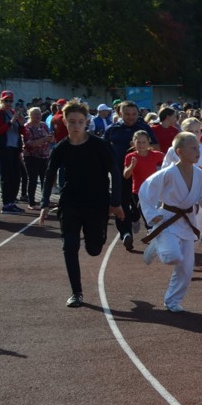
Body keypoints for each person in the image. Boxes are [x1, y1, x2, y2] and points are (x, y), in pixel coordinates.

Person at [38, 101, 123, 307]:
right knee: (69, 246)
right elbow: (49, 176)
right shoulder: (61, 148)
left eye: (80, 121)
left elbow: (115, 173)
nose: (76, 125)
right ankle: (76, 293)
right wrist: (44, 204)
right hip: (70, 203)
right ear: (65, 123)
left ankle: (96, 237)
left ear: (87, 123)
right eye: (72, 122)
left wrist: (115, 201)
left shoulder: (99, 145)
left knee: (94, 249)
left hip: (96, 203)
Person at [138, 132, 202, 313]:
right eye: (193, 148)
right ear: (180, 151)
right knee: (172, 256)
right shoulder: (167, 174)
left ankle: (172, 300)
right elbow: (145, 191)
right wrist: (151, 214)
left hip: (188, 221)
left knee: (187, 267)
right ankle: (156, 246)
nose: (198, 151)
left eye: (198, 147)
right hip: (167, 220)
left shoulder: (200, 175)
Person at [104, 101, 157, 251]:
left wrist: (143, 150)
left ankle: (138, 220)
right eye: (127, 114)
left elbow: (156, 147)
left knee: (138, 205)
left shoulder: (144, 128)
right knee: (121, 203)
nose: (131, 117)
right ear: (120, 113)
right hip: (118, 174)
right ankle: (126, 233)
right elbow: (103, 150)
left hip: (140, 176)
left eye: (134, 114)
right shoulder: (112, 130)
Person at [123, 130, 165, 233]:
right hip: (138, 191)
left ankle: (150, 231)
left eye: (144, 142)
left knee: (150, 212)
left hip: (154, 190)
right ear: (133, 143)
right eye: (138, 142)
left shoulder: (156, 155)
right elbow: (126, 175)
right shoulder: (130, 157)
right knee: (141, 211)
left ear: (148, 142)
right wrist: (132, 166)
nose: (141, 145)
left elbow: (170, 161)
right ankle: (138, 221)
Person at [0, 91, 26, 214]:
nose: (8, 103)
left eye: (10, 101)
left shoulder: (13, 113)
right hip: (5, 148)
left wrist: (22, 123)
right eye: (5, 101)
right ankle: (6, 203)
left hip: (15, 148)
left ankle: (12, 201)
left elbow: (23, 132)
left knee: (16, 176)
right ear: (1, 101)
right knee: (6, 176)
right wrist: (11, 121)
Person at [22, 106, 53, 210]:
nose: (38, 116)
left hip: (44, 156)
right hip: (31, 156)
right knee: (33, 179)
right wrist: (44, 139)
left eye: (39, 114)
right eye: (35, 114)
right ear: (30, 115)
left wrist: (51, 138)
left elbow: (50, 138)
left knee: (45, 179)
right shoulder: (27, 127)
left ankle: (45, 201)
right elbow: (29, 144)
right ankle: (31, 202)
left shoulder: (43, 125)